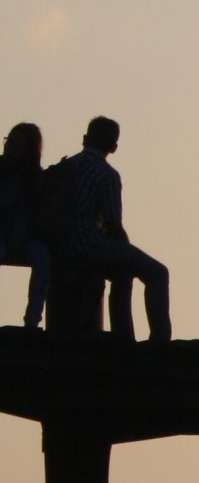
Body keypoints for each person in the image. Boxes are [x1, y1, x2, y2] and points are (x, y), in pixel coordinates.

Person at [55, 117, 168, 341]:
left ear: (85, 138)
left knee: (123, 272)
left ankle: (124, 335)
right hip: (89, 244)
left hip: (63, 242)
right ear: (113, 148)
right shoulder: (107, 175)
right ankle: (159, 338)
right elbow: (113, 225)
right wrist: (126, 248)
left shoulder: (67, 166)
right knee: (157, 272)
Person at [0, 123, 48, 328]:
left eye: (18, 145)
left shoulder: (36, 178)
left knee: (43, 259)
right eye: (10, 142)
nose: (10, 148)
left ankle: (32, 320)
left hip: (24, 236)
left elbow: (29, 213)